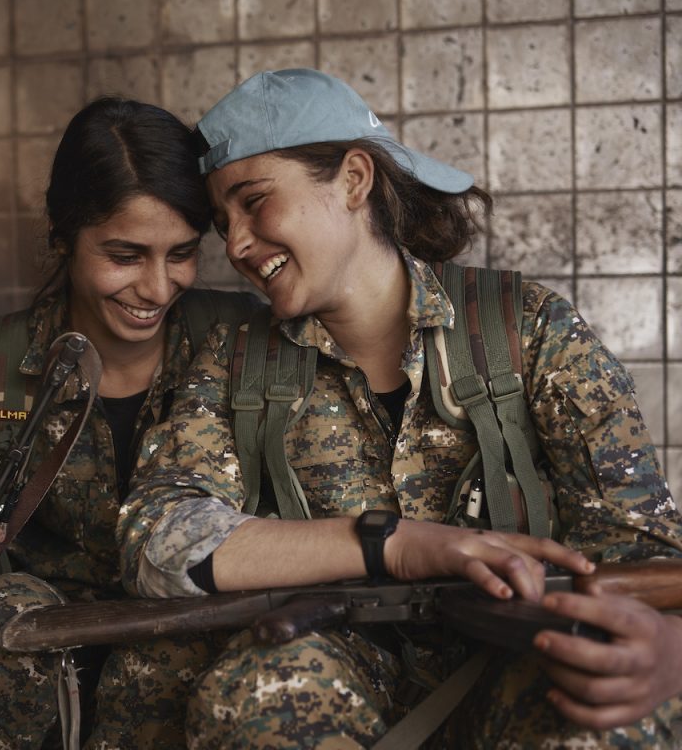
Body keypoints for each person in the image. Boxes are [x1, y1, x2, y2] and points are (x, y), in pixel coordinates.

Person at [117, 68, 682, 748]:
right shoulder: (234, 361)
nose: (234, 244)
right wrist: (391, 545)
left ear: (355, 180)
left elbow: (641, 547)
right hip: (332, 670)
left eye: (254, 202)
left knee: (619, 713)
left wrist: (670, 650)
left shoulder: (525, 330)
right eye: (222, 221)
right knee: (259, 691)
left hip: (521, 665)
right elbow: (157, 539)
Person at [0, 96, 260, 749]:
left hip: (180, 658)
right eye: (125, 254)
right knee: (1, 617)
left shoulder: (242, 338)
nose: (159, 287)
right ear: (62, 235)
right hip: (28, 664)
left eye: (182, 254)